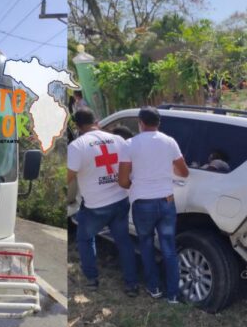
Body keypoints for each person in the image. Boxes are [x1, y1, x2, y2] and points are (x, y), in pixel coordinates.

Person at [118, 107, 189, 304]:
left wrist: (138, 186)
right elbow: (184, 172)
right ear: (159, 123)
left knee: (146, 245)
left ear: (140, 122)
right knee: (169, 248)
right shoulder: (170, 142)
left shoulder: (130, 144)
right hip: (166, 202)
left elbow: (122, 180)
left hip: (143, 204)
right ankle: (173, 294)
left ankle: (154, 287)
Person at [67, 107, 139, 296]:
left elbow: (67, 177)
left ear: (78, 126)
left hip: (95, 206)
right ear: (96, 121)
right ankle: (131, 284)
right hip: (120, 200)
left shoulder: (77, 146)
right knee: (123, 241)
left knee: (85, 238)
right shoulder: (119, 140)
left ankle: (91, 280)